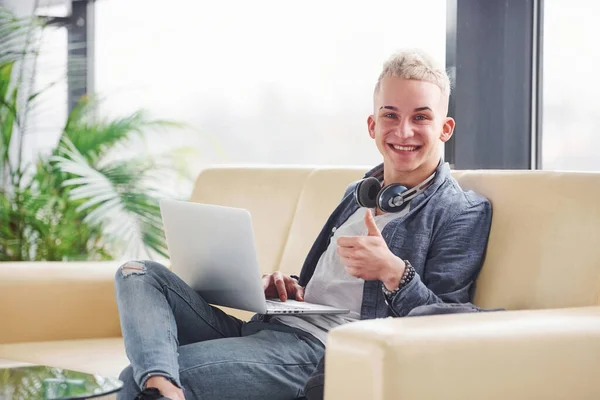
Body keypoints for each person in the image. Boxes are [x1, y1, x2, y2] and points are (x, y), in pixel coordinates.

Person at [114, 49, 492, 400]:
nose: (403, 130)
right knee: (137, 272)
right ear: (372, 124)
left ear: (445, 128)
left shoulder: (460, 210)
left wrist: (395, 273)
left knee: (137, 378)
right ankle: (163, 386)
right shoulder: (360, 193)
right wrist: (290, 287)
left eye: (421, 117)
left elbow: (447, 323)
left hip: (322, 352)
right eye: (390, 115)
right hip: (273, 328)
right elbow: (326, 289)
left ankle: (161, 385)